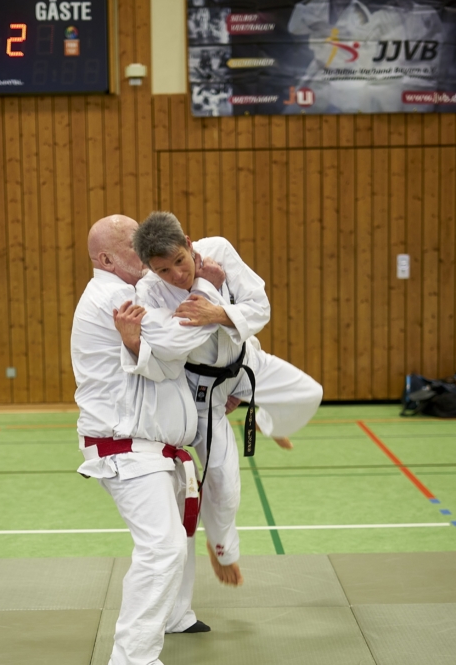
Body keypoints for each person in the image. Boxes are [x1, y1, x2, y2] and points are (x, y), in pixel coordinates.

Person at [126, 212, 323, 586]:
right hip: (201, 390)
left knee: (309, 394)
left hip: (245, 361)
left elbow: (259, 307)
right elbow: (173, 342)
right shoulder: (148, 291)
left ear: (188, 240)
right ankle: (222, 550)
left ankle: (268, 420)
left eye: (180, 263)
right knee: (223, 479)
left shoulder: (218, 250)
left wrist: (216, 312)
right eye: (163, 271)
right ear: (151, 269)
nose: (176, 276)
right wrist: (208, 285)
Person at [71, 215, 226, 665]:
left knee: (178, 537)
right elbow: (176, 341)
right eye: (134, 251)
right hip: (126, 447)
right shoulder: (112, 297)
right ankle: (132, 656)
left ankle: (175, 615)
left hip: (153, 446)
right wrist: (221, 308)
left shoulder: (136, 293)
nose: (146, 258)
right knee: (160, 546)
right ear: (106, 259)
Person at [288, 0, 372, 113]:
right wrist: (320, 25)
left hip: (348, 75)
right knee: (294, 112)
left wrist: (329, 30)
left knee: (355, 115)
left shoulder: (361, 14)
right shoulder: (316, 1)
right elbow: (294, 26)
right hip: (318, 70)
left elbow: (364, 46)